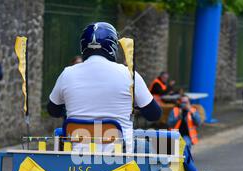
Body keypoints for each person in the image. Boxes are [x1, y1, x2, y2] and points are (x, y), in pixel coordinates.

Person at [47, 22, 161, 151]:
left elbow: (53, 110)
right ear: (112, 46)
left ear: (83, 46)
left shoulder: (67, 73)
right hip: (120, 161)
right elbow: (154, 114)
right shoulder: (129, 74)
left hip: (78, 159)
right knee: (156, 147)